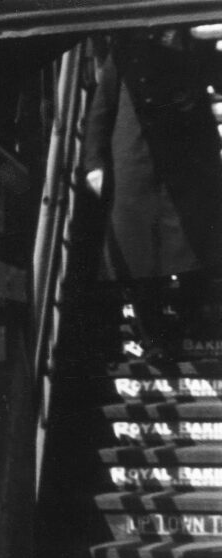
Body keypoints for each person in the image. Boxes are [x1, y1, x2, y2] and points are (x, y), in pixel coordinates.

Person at [82, 28, 222, 357]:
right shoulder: (124, 54)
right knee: (136, 253)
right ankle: (153, 334)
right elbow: (102, 110)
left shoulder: (193, 54)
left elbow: (207, 101)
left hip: (184, 166)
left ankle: (192, 318)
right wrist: (93, 164)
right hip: (135, 163)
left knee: (194, 244)